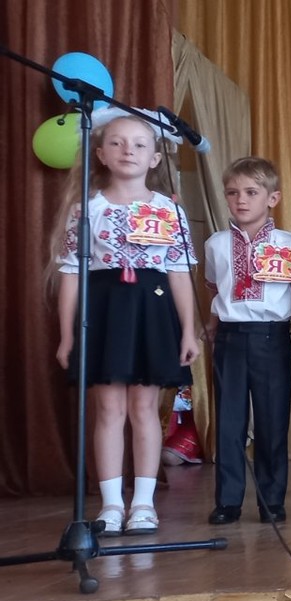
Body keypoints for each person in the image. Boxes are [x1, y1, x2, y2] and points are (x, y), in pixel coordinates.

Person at [52, 107, 200, 536]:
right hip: (104, 311)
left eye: (139, 144)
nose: (128, 150)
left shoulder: (169, 211)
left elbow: (179, 273)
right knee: (109, 408)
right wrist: (66, 336)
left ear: (155, 157)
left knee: (144, 408)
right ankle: (111, 504)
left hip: (152, 310)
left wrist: (188, 330)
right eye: (116, 143)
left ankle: (143, 503)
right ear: (100, 153)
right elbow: (70, 274)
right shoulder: (87, 209)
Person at [204, 156, 291, 525]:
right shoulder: (215, 244)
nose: (241, 199)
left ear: (272, 198)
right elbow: (215, 288)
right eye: (232, 192)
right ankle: (228, 501)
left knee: (272, 419)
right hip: (230, 337)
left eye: (251, 192)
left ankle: (271, 500)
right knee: (229, 421)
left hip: (272, 337)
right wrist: (212, 326)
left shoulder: (289, 243)